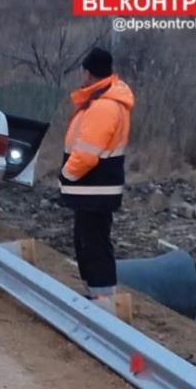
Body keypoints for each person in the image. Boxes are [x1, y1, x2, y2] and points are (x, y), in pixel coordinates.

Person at [59, 47, 134, 311]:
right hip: (95, 189)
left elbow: (87, 155)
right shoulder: (106, 101)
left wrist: (66, 175)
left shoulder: (103, 107)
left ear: (88, 73)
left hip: (94, 188)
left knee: (93, 244)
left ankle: (104, 304)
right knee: (88, 240)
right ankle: (97, 298)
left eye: (83, 71)